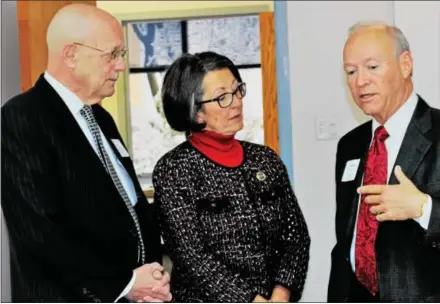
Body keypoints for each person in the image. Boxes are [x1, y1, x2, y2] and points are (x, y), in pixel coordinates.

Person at [1, 4, 172, 302]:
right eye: (112, 54)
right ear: (71, 55)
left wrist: (151, 275)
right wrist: (126, 283)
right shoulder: (22, 118)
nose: (120, 66)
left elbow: (129, 205)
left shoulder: (101, 119)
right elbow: (40, 232)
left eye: (122, 55)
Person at [152, 51, 311, 302]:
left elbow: (296, 235)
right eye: (222, 97)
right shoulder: (174, 169)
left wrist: (282, 292)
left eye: (237, 91)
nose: (236, 102)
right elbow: (192, 256)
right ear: (196, 112)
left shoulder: (265, 159)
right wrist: (251, 300)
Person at [328, 21, 440, 302]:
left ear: (405, 64)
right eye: (351, 72)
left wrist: (423, 207)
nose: (360, 81)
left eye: (372, 67)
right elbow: (345, 239)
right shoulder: (350, 145)